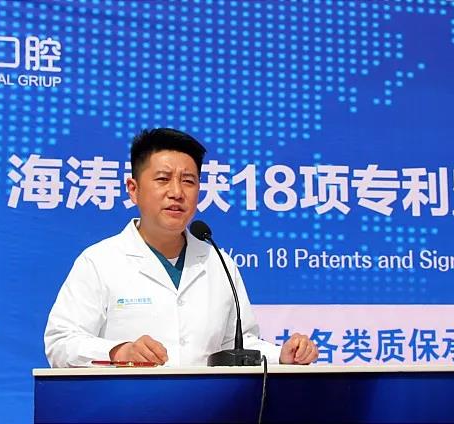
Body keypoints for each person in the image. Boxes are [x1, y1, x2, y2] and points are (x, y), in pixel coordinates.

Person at [44, 128, 319, 367]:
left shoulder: (219, 262)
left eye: (188, 181)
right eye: (163, 179)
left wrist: (281, 356)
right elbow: (61, 342)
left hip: (207, 405)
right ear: (133, 189)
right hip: (126, 404)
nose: (177, 192)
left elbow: (238, 344)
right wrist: (118, 352)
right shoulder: (100, 261)